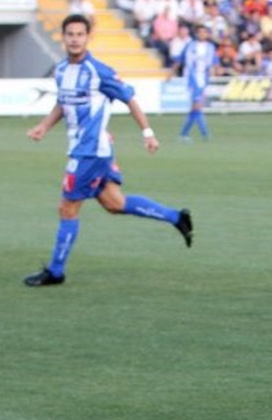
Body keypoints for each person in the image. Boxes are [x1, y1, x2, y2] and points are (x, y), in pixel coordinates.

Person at [23, 14, 193, 287]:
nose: (75, 39)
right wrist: (44, 126)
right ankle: (176, 217)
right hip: (87, 149)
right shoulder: (61, 70)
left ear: (88, 38)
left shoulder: (99, 71)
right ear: (63, 37)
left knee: (67, 208)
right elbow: (63, 103)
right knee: (115, 204)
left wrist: (147, 133)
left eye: (80, 34)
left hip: (90, 152)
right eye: (70, 34)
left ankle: (55, 271)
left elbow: (129, 99)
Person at [177, 23, 218, 142]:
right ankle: (204, 134)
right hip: (192, 79)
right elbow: (180, 60)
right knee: (197, 106)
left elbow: (214, 62)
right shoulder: (190, 46)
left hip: (204, 79)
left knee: (195, 108)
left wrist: (216, 71)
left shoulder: (210, 47)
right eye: (200, 32)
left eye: (204, 32)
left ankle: (184, 134)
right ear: (196, 34)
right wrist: (171, 73)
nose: (202, 34)